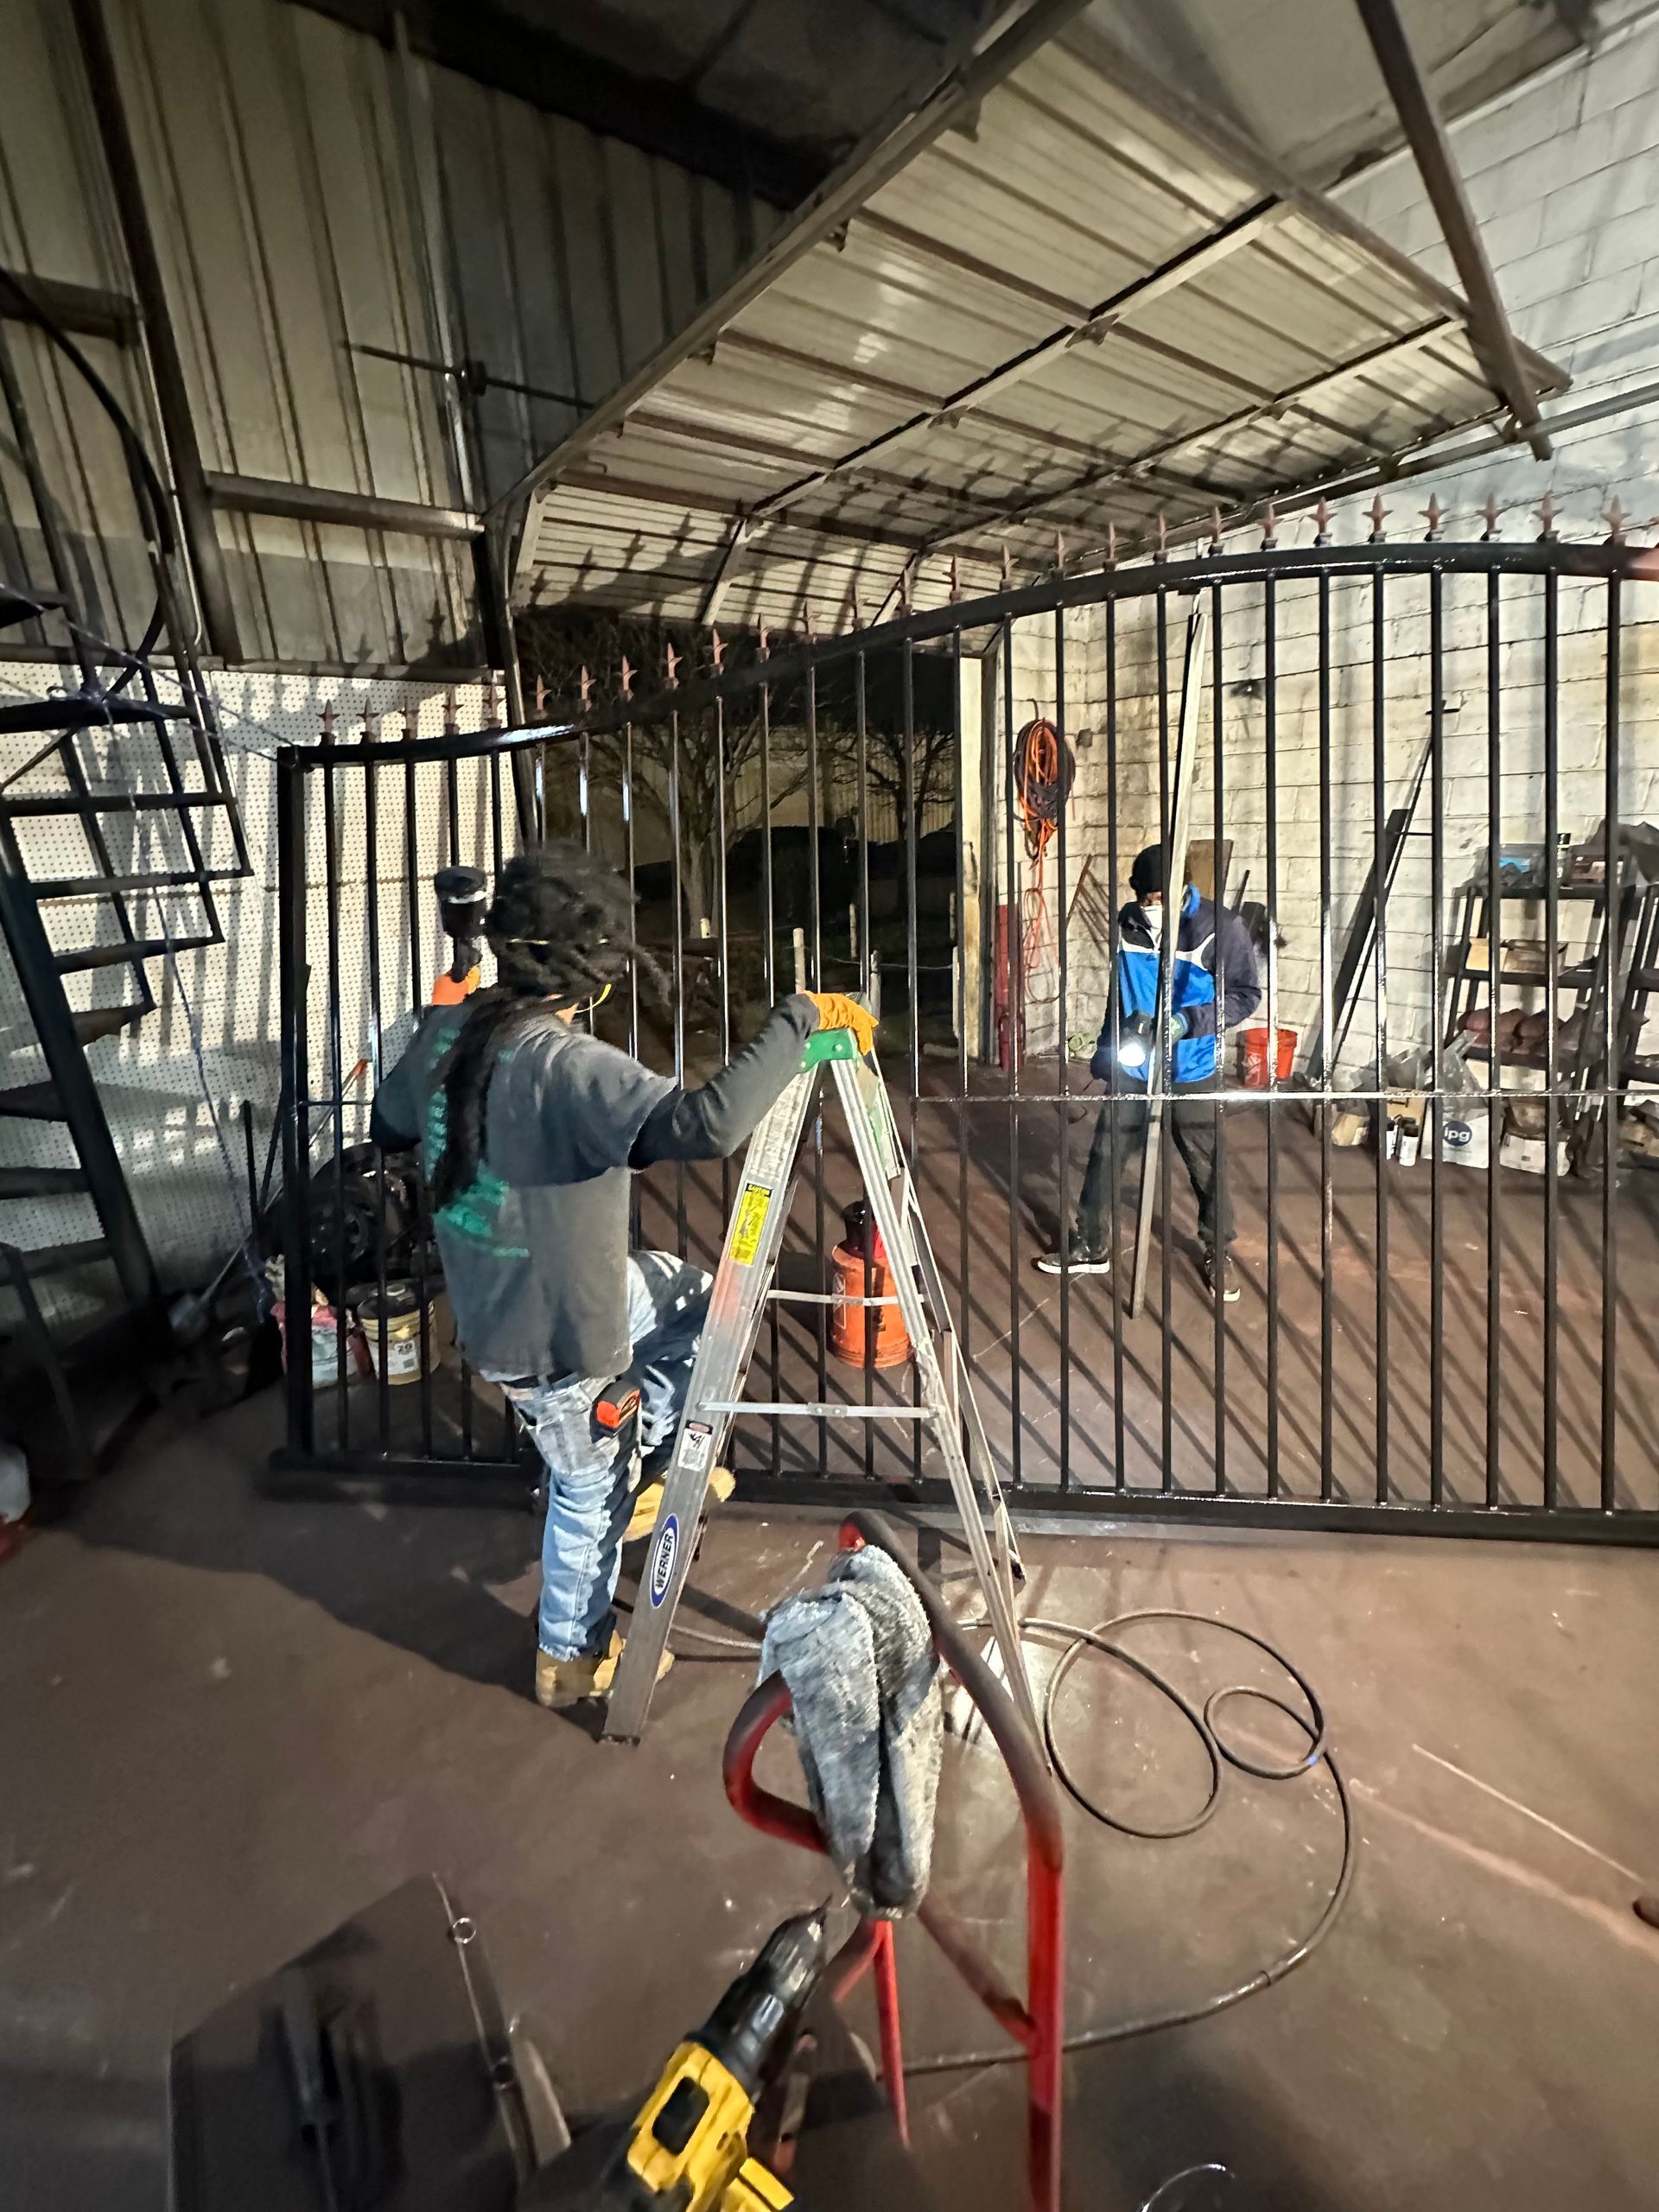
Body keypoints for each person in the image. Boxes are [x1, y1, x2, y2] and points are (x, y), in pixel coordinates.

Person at [372, 842, 874, 1709]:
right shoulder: (564, 1064)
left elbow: (387, 1122)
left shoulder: (456, 1034)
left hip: (502, 1309)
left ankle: (647, 1461)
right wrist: (795, 1018)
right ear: (595, 968)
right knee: (584, 1484)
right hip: (559, 1338)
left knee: (695, 1297)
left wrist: (437, 1016)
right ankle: (570, 1655)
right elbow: (709, 1124)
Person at [1039, 843, 1260, 1301]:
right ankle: (1092, 1243)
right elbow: (1118, 994)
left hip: (1191, 1063)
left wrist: (1188, 1022)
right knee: (1106, 1151)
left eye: (1156, 898)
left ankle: (1218, 1250)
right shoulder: (1130, 924)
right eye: (1143, 897)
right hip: (1136, 1062)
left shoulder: (1221, 928)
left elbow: (1245, 995)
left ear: (1180, 890)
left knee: (1206, 1163)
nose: (1148, 906)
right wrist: (1106, 1044)